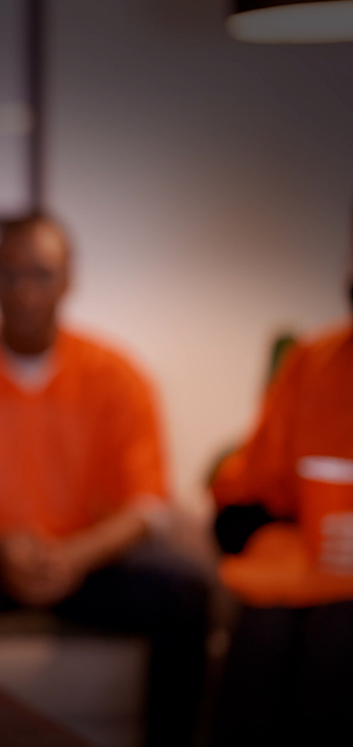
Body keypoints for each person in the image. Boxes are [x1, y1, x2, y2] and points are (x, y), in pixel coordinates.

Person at [0, 215, 209, 747]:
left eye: (41, 275)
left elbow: (149, 506)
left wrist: (77, 554)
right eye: (10, 275)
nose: (25, 292)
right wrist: (3, 546)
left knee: (186, 589)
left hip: (90, 563)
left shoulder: (116, 374)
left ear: (69, 280)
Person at [210, 231, 353, 746]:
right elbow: (247, 491)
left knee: (335, 639)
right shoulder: (311, 361)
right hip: (303, 562)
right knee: (263, 632)